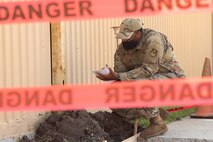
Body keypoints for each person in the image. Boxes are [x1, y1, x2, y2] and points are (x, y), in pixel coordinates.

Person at [95, 18, 185, 141]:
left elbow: (148, 70)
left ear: (138, 33)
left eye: (127, 36)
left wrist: (118, 77)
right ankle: (148, 113)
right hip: (147, 78)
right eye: (122, 37)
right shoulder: (121, 50)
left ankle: (158, 123)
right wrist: (113, 78)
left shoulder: (153, 41)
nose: (124, 40)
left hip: (171, 78)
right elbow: (122, 74)